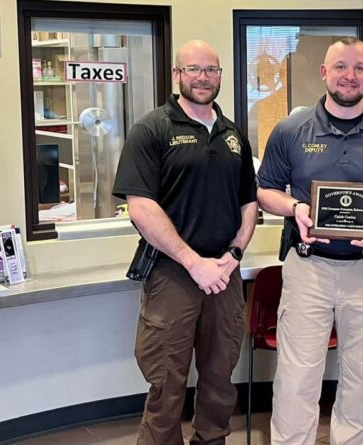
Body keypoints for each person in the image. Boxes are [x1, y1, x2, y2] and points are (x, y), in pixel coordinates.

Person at [257, 37, 363, 445]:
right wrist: (295, 207)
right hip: (307, 268)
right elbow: (265, 190)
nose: (350, 76)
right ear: (324, 73)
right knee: (296, 379)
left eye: (359, 68)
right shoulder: (291, 130)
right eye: (341, 67)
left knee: (361, 379)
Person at [112, 39, 258, 445]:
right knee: (166, 382)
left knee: (220, 379)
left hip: (224, 276)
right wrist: (194, 262)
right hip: (172, 274)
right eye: (193, 69)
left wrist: (233, 254)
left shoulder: (233, 135)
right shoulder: (152, 129)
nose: (203, 77)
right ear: (177, 74)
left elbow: (249, 202)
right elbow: (142, 207)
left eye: (211, 70)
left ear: (220, 76)